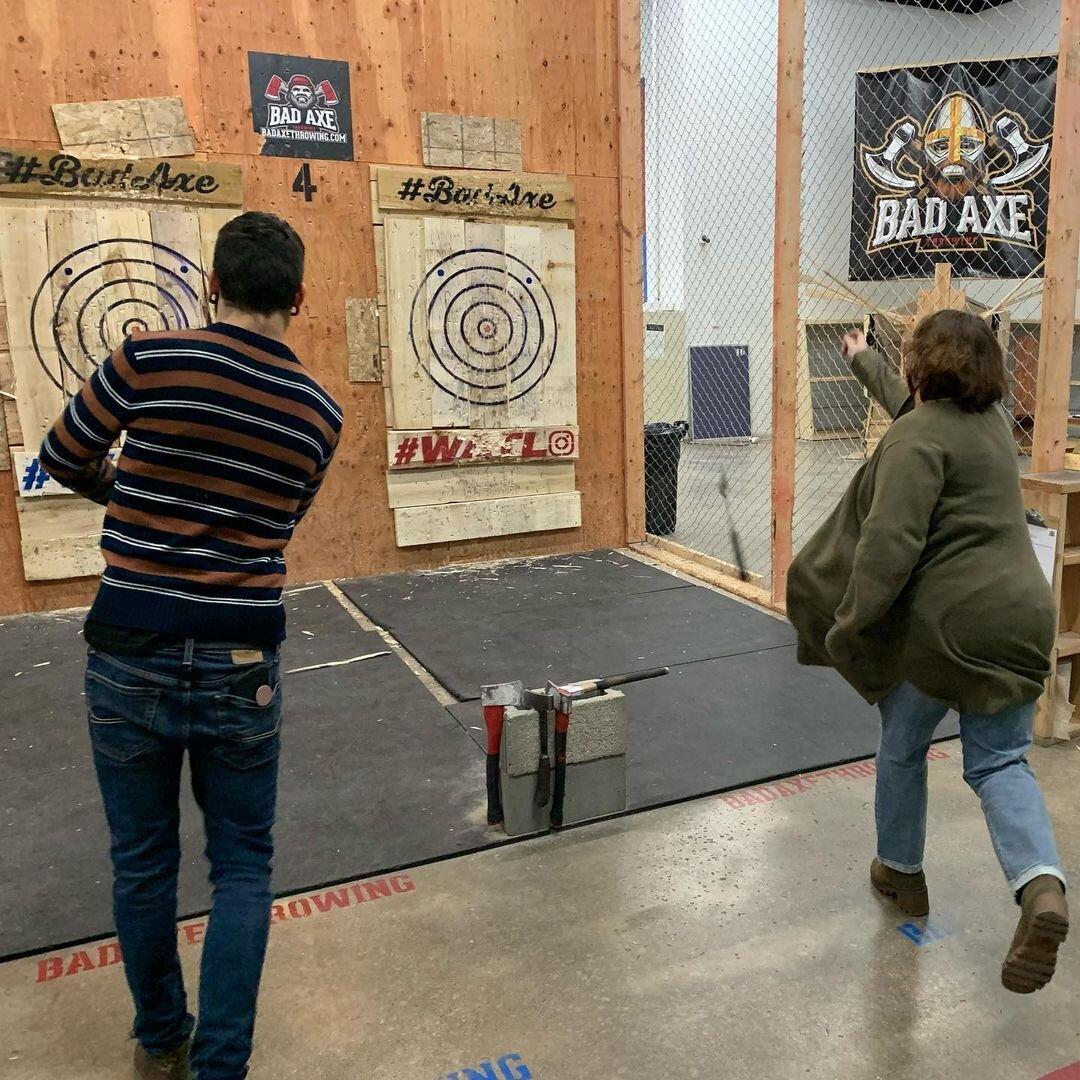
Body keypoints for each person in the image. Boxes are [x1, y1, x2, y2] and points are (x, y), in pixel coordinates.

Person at [39, 211, 342, 1078]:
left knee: (142, 862)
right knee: (243, 866)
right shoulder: (318, 414)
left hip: (129, 640)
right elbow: (274, 523)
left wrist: (123, 494)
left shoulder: (147, 359)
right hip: (241, 656)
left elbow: (65, 453)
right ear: (298, 297)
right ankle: (219, 1068)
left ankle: (161, 1040)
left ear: (212, 285)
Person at [787, 310, 1068, 994]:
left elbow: (889, 547)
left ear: (918, 371)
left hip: (943, 629)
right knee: (1000, 760)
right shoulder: (994, 429)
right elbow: (914, 413)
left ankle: (901, 873)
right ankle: (1041, 888)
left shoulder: (915, 440)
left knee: (904, 746)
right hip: (1026, 615)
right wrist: (862, 359)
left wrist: (849, 626)